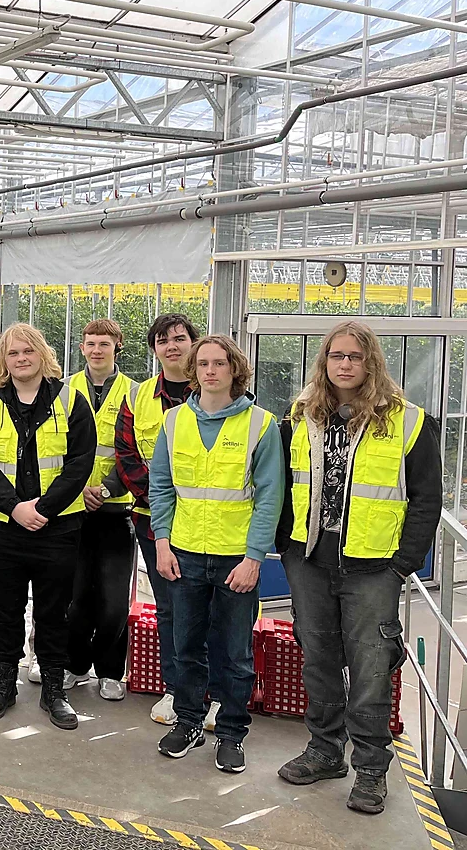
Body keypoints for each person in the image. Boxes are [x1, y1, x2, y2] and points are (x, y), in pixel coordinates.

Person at [277, 321, 439, 814]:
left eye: (354, 356)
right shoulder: (303, 414)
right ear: (324, 362)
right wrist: (287, 547)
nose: (344, 364)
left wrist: (403, 564)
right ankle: (325, 751)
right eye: (336, 356)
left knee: (371, 670)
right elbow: (283, 484)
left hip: (373, 567)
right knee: (318, 661)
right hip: (310, 560)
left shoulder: (408, 420)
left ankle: (370, 769)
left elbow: (427, 498)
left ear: (371, 361)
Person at [150, 335, 283, 774]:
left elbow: (269, 498)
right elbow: (161, 487)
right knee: (185, 647)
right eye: (203, 363)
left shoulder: (260, 425)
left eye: (219, 363)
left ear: (234, 369)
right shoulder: (174, 422)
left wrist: (254, 558)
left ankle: (230, 733)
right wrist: (163, 542)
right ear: (193, 370)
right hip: (184, 554)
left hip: (235, 559)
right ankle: (188, 722)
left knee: (235, 653)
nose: (210, 370)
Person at [0, 323, 95, 730]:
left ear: (42, 354)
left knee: (54, 610)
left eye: (28, 351)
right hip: (3, 527)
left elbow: (80, 462)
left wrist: (45, 508)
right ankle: (5, 682)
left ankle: (54, 688)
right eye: (13, 353)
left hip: (58, 526)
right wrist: (15, 508)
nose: (21, 358)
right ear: (3, 361)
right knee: (5, 609)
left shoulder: (71, 400)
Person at [114, 313, 204, 728]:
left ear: (193, 343)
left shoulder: (216, 391)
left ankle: (213, 693)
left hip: (210, 523)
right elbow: (127, 455)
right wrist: (163, 501)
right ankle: (176, 689)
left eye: (179, 338)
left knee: (210, 609)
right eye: (163, 340)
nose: (172, 346)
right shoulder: (138, 398)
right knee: (169, 607)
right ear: (154, 349)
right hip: (153, 522)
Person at [65, 319, 137, 702]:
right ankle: (75, 666)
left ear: (117, 346)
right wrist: (78, 490)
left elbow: (134, 452)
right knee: (75, 598)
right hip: (72, 511)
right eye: (90, 343)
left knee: (113, 602)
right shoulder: (64, 390)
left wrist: (106, 489)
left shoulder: (134, 394)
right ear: (81, 348)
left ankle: (110, 670)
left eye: (104, 343)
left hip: (116, 511)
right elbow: (56, 449)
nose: (96, 350)